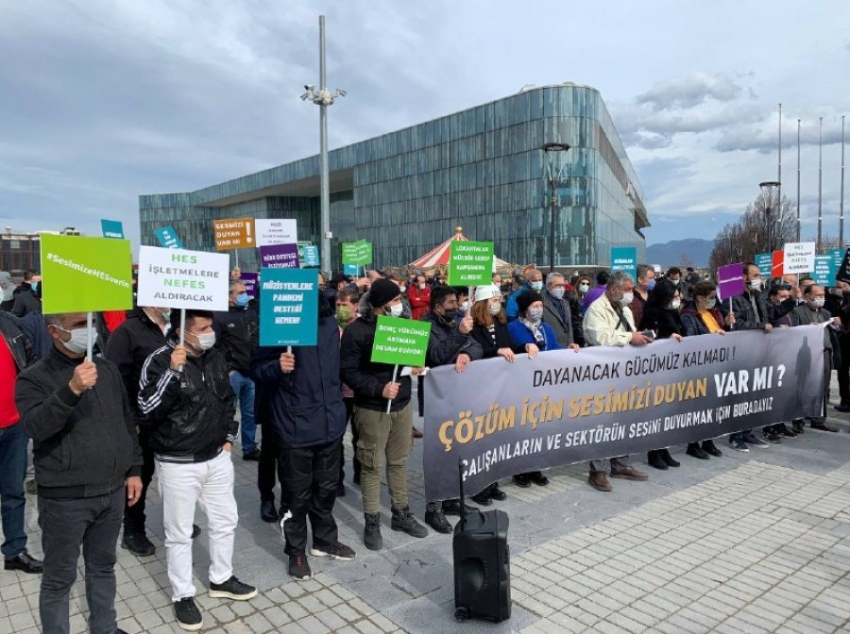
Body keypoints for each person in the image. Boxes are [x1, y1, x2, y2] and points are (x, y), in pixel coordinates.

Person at [16, 312, 143, 634]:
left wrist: (133, 469)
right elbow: (36, 427)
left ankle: (105, 627)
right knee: (59, 578)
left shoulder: (107, 369)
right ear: (54, 331)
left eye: (90, 324)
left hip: (111, 492)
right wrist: (71, 390)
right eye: (77, 326)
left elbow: (127, 422)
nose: (87, 331)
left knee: (103, 567)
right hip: (66, 499)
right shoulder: (33, 377)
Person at [138, 309, 257, 631]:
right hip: (178, 462)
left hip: (216, 458)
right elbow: (146, 410)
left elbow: (227, 400)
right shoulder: (160, 361)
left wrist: (229, 439)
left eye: (210, 327)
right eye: (202, 328)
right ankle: (182, 594)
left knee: (225, 522)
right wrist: (172, 374)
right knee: (179, 533)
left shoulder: (215, 356)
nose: (209, 333)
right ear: (182, 332)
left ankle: (221, 578)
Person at [252, 292, 355, 581]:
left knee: (326, 489)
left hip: (329, 424)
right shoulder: (278, 326)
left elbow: (343, 367)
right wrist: (276, 366)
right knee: (297, 495)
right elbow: (255, 369)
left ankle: (324, 541)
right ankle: (295, 551)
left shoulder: (330, 326)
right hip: (295, 426)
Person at [340, 279, 428, 551]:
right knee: (372, 464)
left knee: (399, 461)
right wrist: (379, 388)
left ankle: (401, 513)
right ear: (380, 305)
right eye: (394, 300)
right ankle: (372, 520)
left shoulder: (404, 327)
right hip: (372, 408)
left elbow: (411, 359)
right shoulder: (357, 331)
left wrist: (414, 367)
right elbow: (348, 372)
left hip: (401, 406)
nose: (399, 304)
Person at [104, 305, 173, 557]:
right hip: (140, 420)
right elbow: (115, 379)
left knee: (173, 474)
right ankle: (133, 529)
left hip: (171, 419)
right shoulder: (127, 332)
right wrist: (128, 417)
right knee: (140, 475)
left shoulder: (175, 327)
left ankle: (176, 521)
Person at [421, 286, 484, 533]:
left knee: (456, 451)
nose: (456, 307)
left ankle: (451, 500)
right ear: (437, 306)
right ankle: (433, 508)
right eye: (450, 303)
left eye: (456, 302)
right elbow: (436, 356)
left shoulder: (456, 321)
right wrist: (459, 335)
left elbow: (477, 346)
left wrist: (467, 352)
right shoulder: (425, 326)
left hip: (458, 395)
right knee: (438, 455)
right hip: (437, 398)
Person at [582, 271, 651, 492]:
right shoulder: (596, 310)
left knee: (625, 419)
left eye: (631, 289)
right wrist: (630, 337)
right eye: (627, 290)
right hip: (602, 373)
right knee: (602, 422)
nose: (630, 294)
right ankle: (598, 470)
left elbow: (628, 333)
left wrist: (640, 336)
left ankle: (621, 464)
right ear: (613, 289)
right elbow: (600, 338)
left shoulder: (624, 309)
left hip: (623, 372)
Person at [508, 289, 577, 488]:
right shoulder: (514, 327)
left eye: (540, 305)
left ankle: (535, 467)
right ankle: (520, 469)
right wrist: (527, 346)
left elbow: (554, 349)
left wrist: (569, 350)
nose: (538, 309)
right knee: (523, 429)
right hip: (523, 385)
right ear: (524, 309)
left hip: (543, 385)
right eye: (534, 306)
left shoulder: (545, 327)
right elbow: (521, 347)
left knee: (539, 428)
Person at [0, 311, 42, 574]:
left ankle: (15, 550)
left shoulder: (8, 322)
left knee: (13, 491)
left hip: (14, 425)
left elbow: (30, 359)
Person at [468, 285, 515, 505]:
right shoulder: (472, 327)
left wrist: (526, 346)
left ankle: (492, 482)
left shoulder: (501, 323)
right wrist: (494, 352)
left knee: (496, 438)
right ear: (483, 303)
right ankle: (478, 486)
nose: (497, 302)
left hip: (501, 388)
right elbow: (472, 352)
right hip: (479, 389)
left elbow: (510, 347)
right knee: (480, 441)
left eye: (499, 299)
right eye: (493, 299)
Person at [680, 281, 734, 458]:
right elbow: (691, 339)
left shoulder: (713, 312)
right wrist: (712, 337)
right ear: (700, 297)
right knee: (697, 408)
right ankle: (693, 444)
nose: (714, 301)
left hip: (714, 365)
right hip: (698, 368)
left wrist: (725, 324)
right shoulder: (689, 315)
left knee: (712, 405)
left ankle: (708, 441)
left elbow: (720, 332)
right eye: (711, 298)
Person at [638, 279, 685, 470]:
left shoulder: (672, 312)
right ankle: (653, 452)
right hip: (656, 368)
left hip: (672, 367)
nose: (678, 299)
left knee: (668, 412)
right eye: (674, 296)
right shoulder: (651, 313)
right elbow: (647, 336)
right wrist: (667, 338)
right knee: (656, 413)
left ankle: (664, 448)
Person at [727, 263, 773, 451]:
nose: (758, 278)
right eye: (755, 275)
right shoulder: (733, 298)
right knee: (741, 395)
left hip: (758, 351)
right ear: (744, 277)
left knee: (754, 394)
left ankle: (748, 431)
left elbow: (768, 315)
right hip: (742, 352)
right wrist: (760, 326)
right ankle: (736, 435)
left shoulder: (757, 295)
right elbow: (736, 324)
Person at [215, 280, 260, 460]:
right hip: (233, 374)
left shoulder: (250, 313)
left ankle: (249, 448)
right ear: (229, 296)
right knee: (228, 413)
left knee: (250, 414)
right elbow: (216, 348)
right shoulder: (219, 317)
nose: (245, 295)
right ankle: (223, 448)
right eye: (240, 292)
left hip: (251, 372)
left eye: (245, 291)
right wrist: (226, 369)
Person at [793, 284, 841, 433]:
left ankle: (818, 419)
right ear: (807, 296)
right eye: (818, 295)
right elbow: (793, 333)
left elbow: (834, 332)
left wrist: (837, 326)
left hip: (824, 352)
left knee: (823, 387)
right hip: (806, 354)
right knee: (803, 386)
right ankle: (798, 419)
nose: (821, 298)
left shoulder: (826, 312)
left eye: (823, 295)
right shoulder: (798, 311)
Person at [335, 287, 362, 492]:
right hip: (338, 392)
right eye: (338, 305)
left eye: (344, 305)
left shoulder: (363, 327)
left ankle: (361, 473)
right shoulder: (331, 328)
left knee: (360, 436)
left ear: (356, 305)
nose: (341, 309)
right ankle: (337, 479)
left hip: (360, 391)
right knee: (336, 438)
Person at [542, 272, 576, 349]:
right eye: (558, 285)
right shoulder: (541, 303)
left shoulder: (565, 303)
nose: (561, 288)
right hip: (551, 349)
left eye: (563, 285)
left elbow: (569, 326)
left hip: (568, 348)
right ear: (549, 285)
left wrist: (571, 343)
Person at [628, 264, 656, 329]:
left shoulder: (654, 295)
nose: (654, 281)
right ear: (640, 279)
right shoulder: (631, 298)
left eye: (654, 278)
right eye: (650, 278)